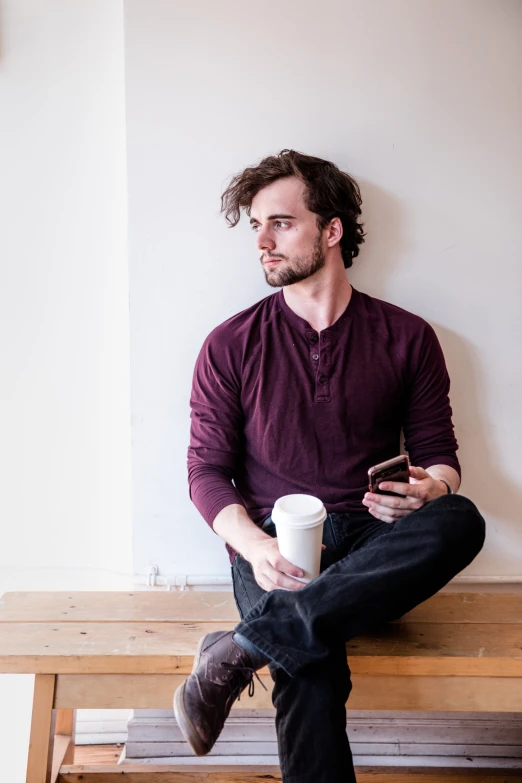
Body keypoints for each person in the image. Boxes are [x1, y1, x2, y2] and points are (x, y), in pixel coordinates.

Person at [173, 149, 486, 782]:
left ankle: (240, 651)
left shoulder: (408, 337)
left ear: (332, 230)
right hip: (278, 545)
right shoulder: (229, 344)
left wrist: (428, 489)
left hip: (374, 545)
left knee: (462, 519)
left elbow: (441, 456)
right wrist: (256, 548)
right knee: (309, 662)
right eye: (256, 226)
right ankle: (270, 638)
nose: (261, 241)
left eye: (281, 223)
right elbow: (206, 472)